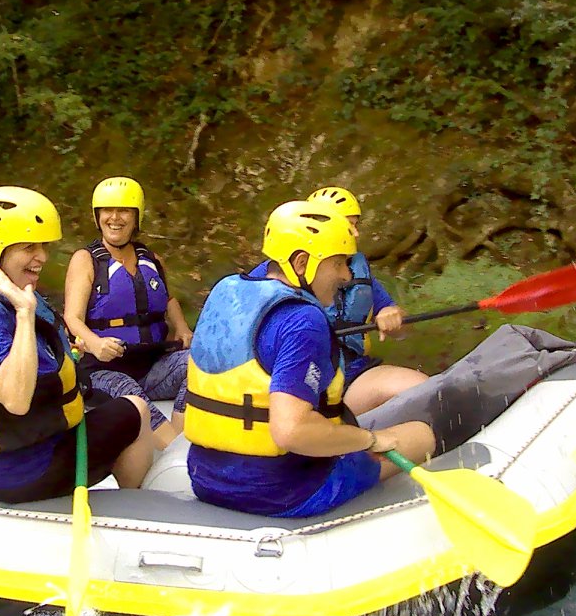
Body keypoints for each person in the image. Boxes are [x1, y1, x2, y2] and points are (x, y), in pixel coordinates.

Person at [183, 199, 435, 518]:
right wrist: (370, 439)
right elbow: (291, 431)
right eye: (338, 263)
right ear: (302, 263)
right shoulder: (304, 321)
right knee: (420, 434)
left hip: (206, 479)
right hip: (282, 492)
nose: (346, 275)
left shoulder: (228, 291)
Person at [0, 186, 160, 504]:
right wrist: (25, 314)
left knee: (106, 406)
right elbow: (15, 400)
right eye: (28, 247)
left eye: (43, 246)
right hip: (19, 470)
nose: (42, 257)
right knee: (136, 408)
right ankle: (136, 509)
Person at [61, 176, 192, 433]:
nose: (115, 218)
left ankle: (181, 435)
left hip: (151, 366)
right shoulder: (85, 260)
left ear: (136, 217)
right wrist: (96, 344)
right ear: (97, 216)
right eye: (107, 210)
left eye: (123, 211)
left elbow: (168, 300)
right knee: (128, 391)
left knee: (198, 363)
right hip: (102, 371)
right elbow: (72, 318)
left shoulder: (151, 259)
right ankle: (170, 450)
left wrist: (183, 328)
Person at [306, 185, 431, 416]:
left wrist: (393, 317)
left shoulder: (357, 272)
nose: (355, 234)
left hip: (354, 376)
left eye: (356, 224)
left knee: (427, 390)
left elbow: (403, 330)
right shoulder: (282, 276)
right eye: (348, 225)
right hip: (306, 391)